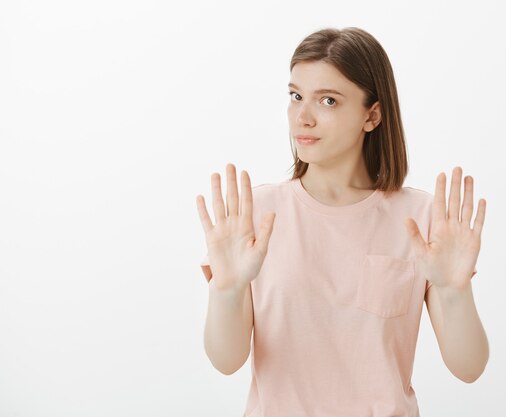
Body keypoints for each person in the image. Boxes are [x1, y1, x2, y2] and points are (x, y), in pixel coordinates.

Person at [196, 26, 489, 417]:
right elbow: (226, 360)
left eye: (328, 101)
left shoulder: (421, 222)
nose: (302, 116)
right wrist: (227, 289)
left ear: (372, 115)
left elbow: (468, 368)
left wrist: (454, 291)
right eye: (295, 96)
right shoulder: (255, 216)